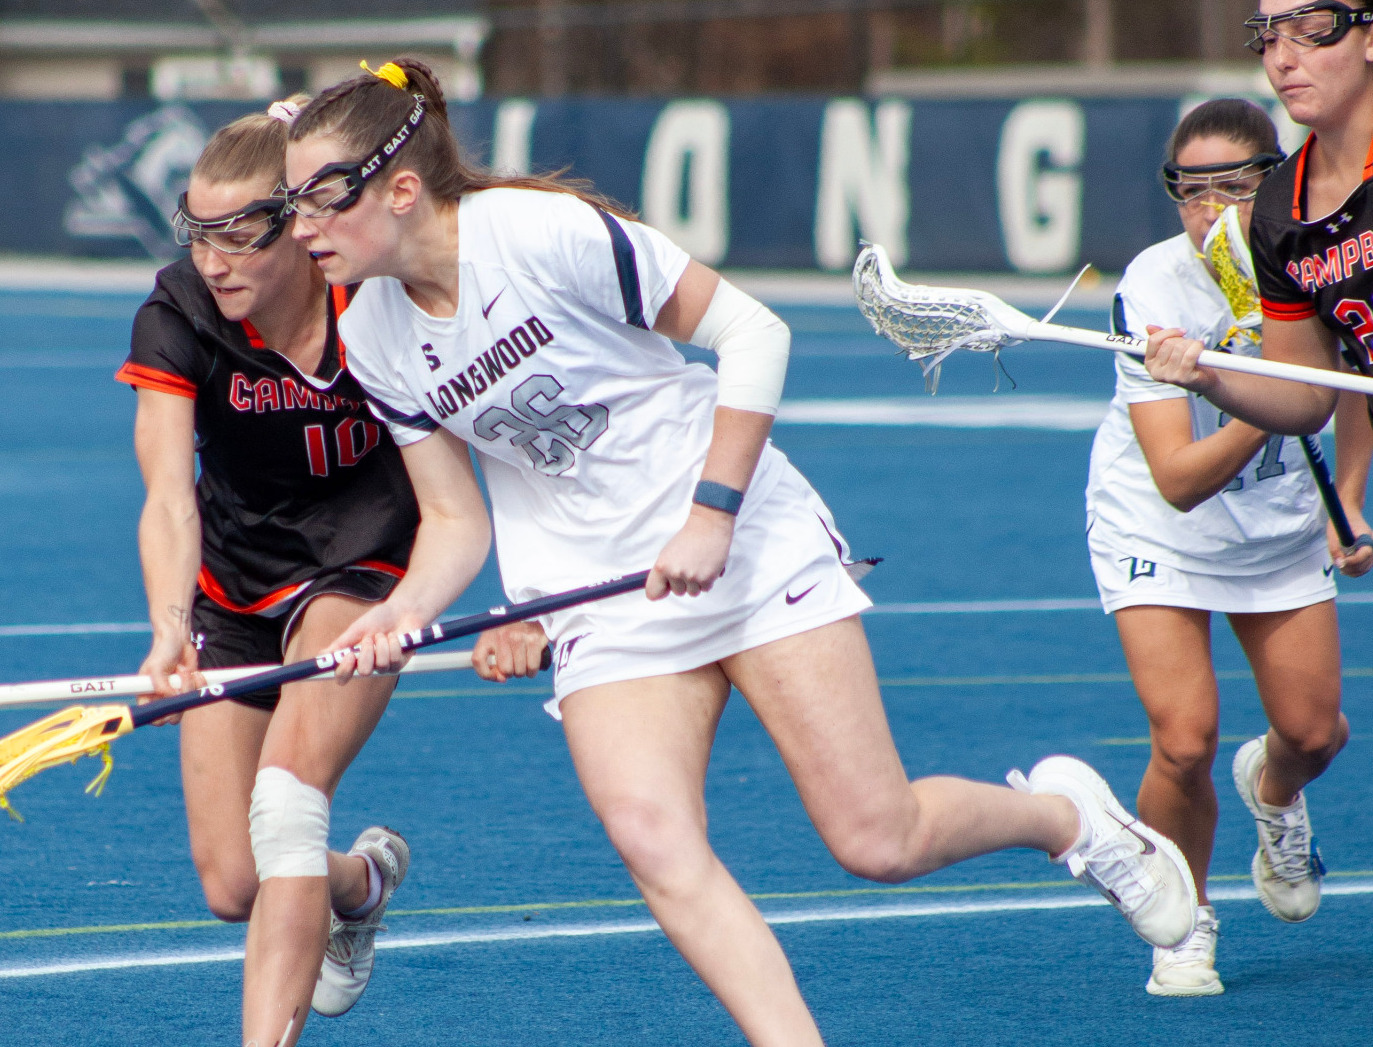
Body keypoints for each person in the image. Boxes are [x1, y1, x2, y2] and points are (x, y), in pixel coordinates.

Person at [287, 59, 1197, 1044]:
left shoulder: (539, 235)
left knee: (875, 838)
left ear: (402, 186)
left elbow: (751, 333)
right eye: (290, 201)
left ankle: (1066, 819)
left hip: (744, 539)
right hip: (602, 597)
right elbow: (455, 521)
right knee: (654, 841)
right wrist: (396, 616)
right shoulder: (370, 336)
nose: (300, 226)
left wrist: (711, 513)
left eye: (319, 198)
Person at [121, 97, 547, 1047]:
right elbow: (166, 494)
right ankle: (362, 883)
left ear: (301, 223)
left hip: (364, 571)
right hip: (232, 586)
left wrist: (526, 603)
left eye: (239, 236)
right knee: (236, 880)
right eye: (199, 233)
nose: (214, 261)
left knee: (283, 809)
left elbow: (502, 444)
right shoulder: (179, 309)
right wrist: (164, 623)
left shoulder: (376, 293)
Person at [1092, 97, 1368, 996]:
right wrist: (1256, 395)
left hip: (1277, 526)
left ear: (1274, 179)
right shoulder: (1152, 284)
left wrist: (1350, 499)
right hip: (1155, 526)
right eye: (1189, 189)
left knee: (1312, 733)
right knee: (1182, 738)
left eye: (1234, 186)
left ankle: (1274, 791)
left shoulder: (1309, 254)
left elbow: (1353, 378)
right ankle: (1181, 925)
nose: (1211, 209)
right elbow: (1174, 477)